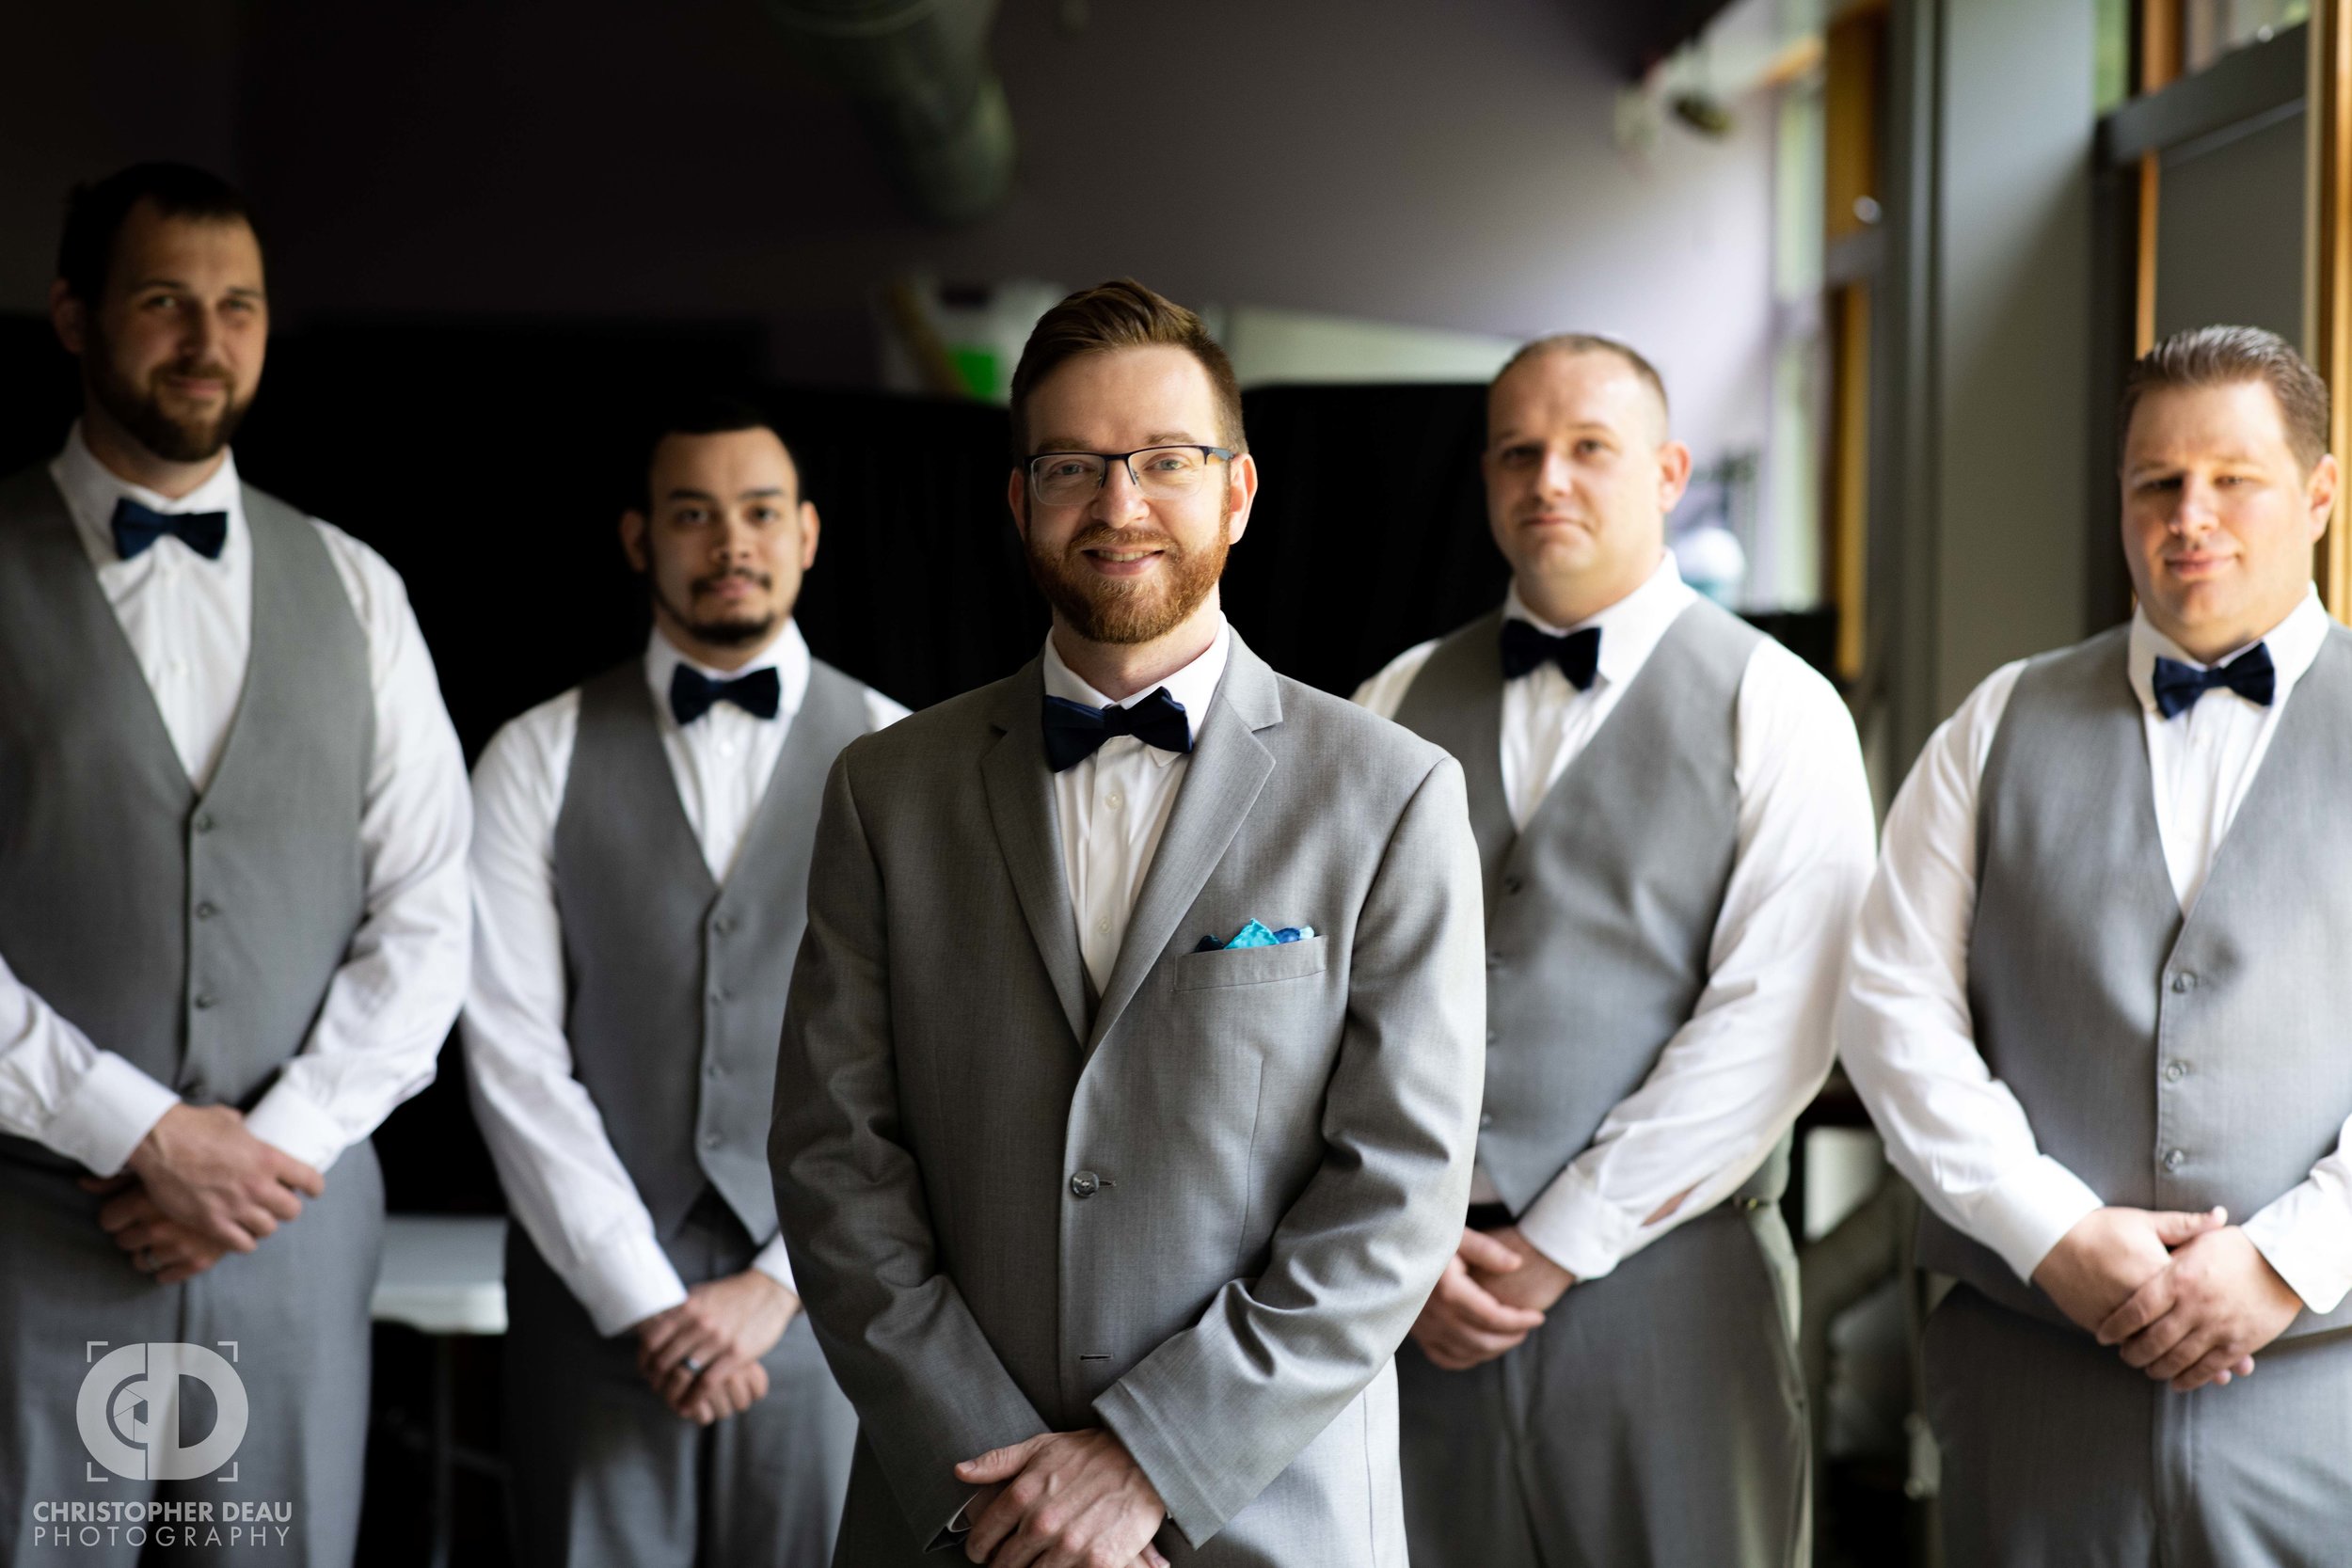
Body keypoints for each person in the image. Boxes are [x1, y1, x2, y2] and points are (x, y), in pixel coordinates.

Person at [771, 278, 1486, 1567]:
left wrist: (1145, 1458)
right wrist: (1003, 1479)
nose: (1119, 504)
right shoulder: (886, 788)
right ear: (1017, 500)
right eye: (1073, 465)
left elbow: (1397, 1193)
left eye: (1165, 460)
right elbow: (834, 1160)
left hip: (1267, 1513)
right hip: (956, 1511)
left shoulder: (1391, 793)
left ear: (1241, 491)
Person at [0, 163, 470, 1564]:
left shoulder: (359, 586)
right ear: (75, 315)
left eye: (239, 306)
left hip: (292, 1234)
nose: (208, 341)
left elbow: (429, 913)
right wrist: (138, 1132)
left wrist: (269, 1154)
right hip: (32, 1229)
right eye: (164, 301)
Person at [1356, 333, 1875, 1566]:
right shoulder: (1389, 699)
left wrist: (1556, 1245)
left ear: (1669, 470)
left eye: (1590, 448)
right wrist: (1407, 1237)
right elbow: (1332, 1002)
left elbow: (1775, 1025)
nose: (1550, 479)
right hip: (1409, 1298)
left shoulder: (1780, 704)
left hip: (1672, 1300)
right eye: (1518, 452)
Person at [1840, 324, 2352, 1566]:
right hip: (2032, 1384)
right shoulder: (1996, 720)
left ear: (2321, 493)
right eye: (2155, 481)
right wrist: (2052, 1233)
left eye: (2233, 477)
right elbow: (1890, 1008)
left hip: (2323, 1388)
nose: (2192, 514)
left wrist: (2288, 1257)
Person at [464, 399, 901, 1565]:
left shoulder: (908, 759)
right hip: (592, 1309)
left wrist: (778, 1283)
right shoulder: (532, 753)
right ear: (637, 539)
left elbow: (931, 1070)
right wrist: (641, 1292)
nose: (730, 543)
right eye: (693, 514)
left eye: (759, 512)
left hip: (832, 1311)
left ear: (806, 533)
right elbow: (511, 1054)